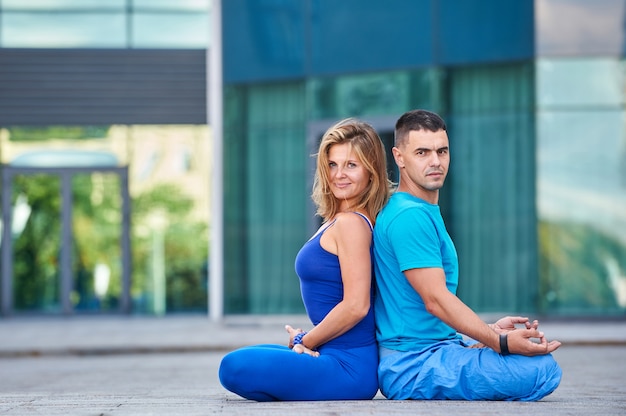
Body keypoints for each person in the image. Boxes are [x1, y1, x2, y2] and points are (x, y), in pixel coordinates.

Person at [373, 109, 562, 401]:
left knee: (538, 366)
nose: (435, 161)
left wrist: (484, 332)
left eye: (442, 151)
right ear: (399, 157)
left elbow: (430, 308)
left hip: (436, 351)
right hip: (411, 365)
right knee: (540, 370)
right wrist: (499, 341)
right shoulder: (409, 216)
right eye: (422, 152)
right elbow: (436, 300)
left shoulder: (421, 210)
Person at [219, 118, 391, 401]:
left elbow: (357, 305)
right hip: (330, 352)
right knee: (254, 356)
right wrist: (307, 341)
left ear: (371, 172)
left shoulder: (351, 224)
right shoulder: (339, 220)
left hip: (348, 366)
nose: (339, 174)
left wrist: (306, 341)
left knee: (233, 367)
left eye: (351, 165)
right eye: (333, 164)